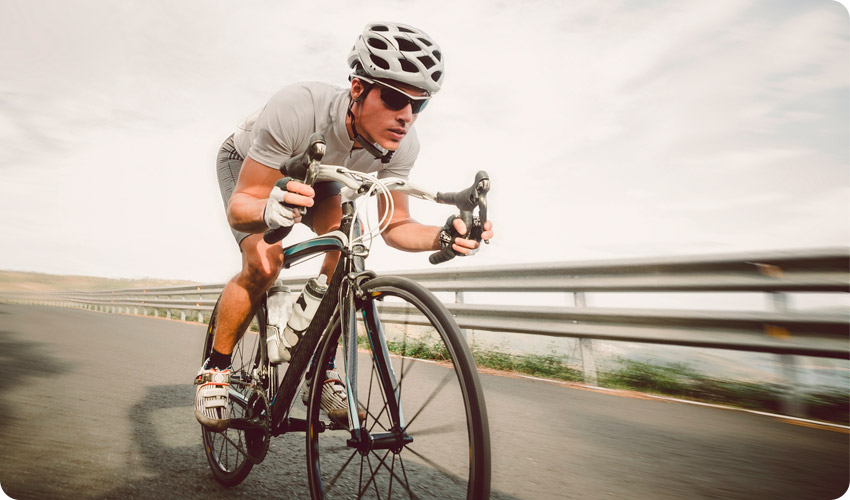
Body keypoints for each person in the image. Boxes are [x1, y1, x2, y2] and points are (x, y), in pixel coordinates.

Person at [195, 22, 495, 431]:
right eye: (393, 98)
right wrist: (268, 211)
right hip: (254, 163)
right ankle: (216, 367)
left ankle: (321, 367)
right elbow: (240, 207)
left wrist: (443, 235)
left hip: (322, 174)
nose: (405, 116)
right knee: (265, 264)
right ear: (358, 88)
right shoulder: (298, 107)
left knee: (347, 259)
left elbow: (397, 224)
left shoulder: (401, 145)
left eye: (418, 105)